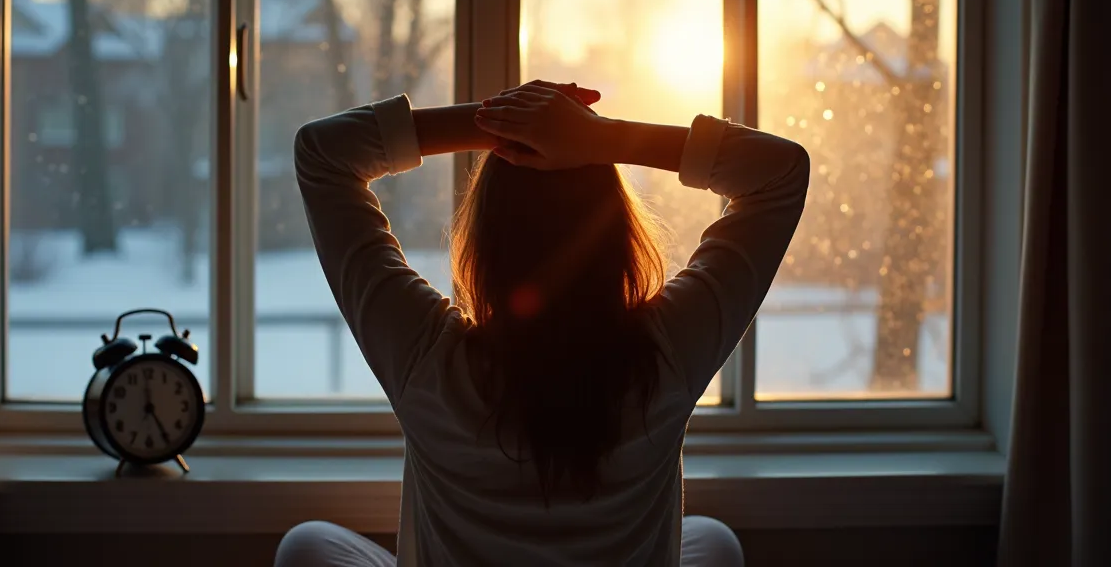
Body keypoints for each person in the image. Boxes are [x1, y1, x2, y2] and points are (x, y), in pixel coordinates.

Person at [278, 81, 810, 566]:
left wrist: (503, 120)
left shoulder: (427, 359)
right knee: (714, 540)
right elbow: (778, 171)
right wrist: (602, 139)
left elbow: (323, 154)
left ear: (484, 243)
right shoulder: (668, 352)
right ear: (617, 237)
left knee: (306, 546)